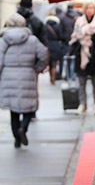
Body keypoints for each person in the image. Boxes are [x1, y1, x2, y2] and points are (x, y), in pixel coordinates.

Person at [0, 13, 49, 148]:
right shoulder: (32, 40)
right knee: (28, 107)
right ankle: (24, 127)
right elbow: (44, 53)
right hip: (28, 73)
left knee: (13, 110)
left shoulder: (3, 40)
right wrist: (38, 68)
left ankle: (16, 138)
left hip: (8, 75)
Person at [70, 1, 95, 115]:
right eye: (87, 8)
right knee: (81, 81)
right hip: (82, 55)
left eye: (91, 8)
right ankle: (82, 104)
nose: (89, 10)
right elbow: (75, 37)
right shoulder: (79, 22)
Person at [44, 10, 65, 85]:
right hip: (55, 45)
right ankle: (53, 79)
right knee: (54, 63)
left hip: (47, 45)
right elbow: (61, 36)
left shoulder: (45, 26)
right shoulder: (57, 25)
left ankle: (51, 78)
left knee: (49, 62)